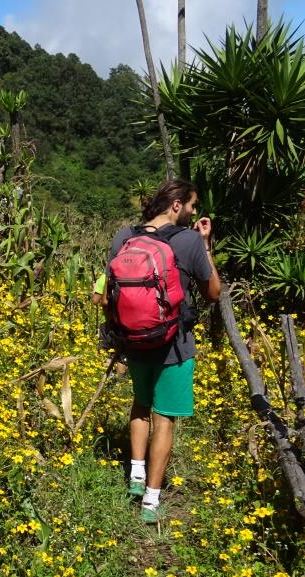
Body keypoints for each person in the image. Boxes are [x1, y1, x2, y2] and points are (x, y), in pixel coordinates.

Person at [107, 179, 220, 523]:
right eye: (192, 205)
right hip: (174, 344)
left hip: (135, 341)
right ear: (176, 205)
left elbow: (111, 292)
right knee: (164, 419)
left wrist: (117, 338)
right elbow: (213, 292)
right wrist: (205, 245)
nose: (194, 212)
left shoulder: (123, 236)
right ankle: (151, 503)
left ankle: (136, 478)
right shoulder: (188, 240)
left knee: (140, 406)